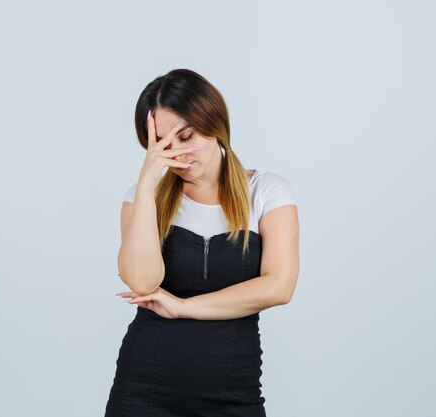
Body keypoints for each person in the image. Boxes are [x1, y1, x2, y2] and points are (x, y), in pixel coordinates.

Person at [104, 69, 300, 417]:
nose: (176, 154)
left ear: (215, 124)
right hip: (144, 391)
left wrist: (183, 307)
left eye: (186, 136)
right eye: (162, 143)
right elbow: (142, 281)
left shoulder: (267, 192)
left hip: (232, 392)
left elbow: (279, 287)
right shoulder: (140, 199)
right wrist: (147, 185)